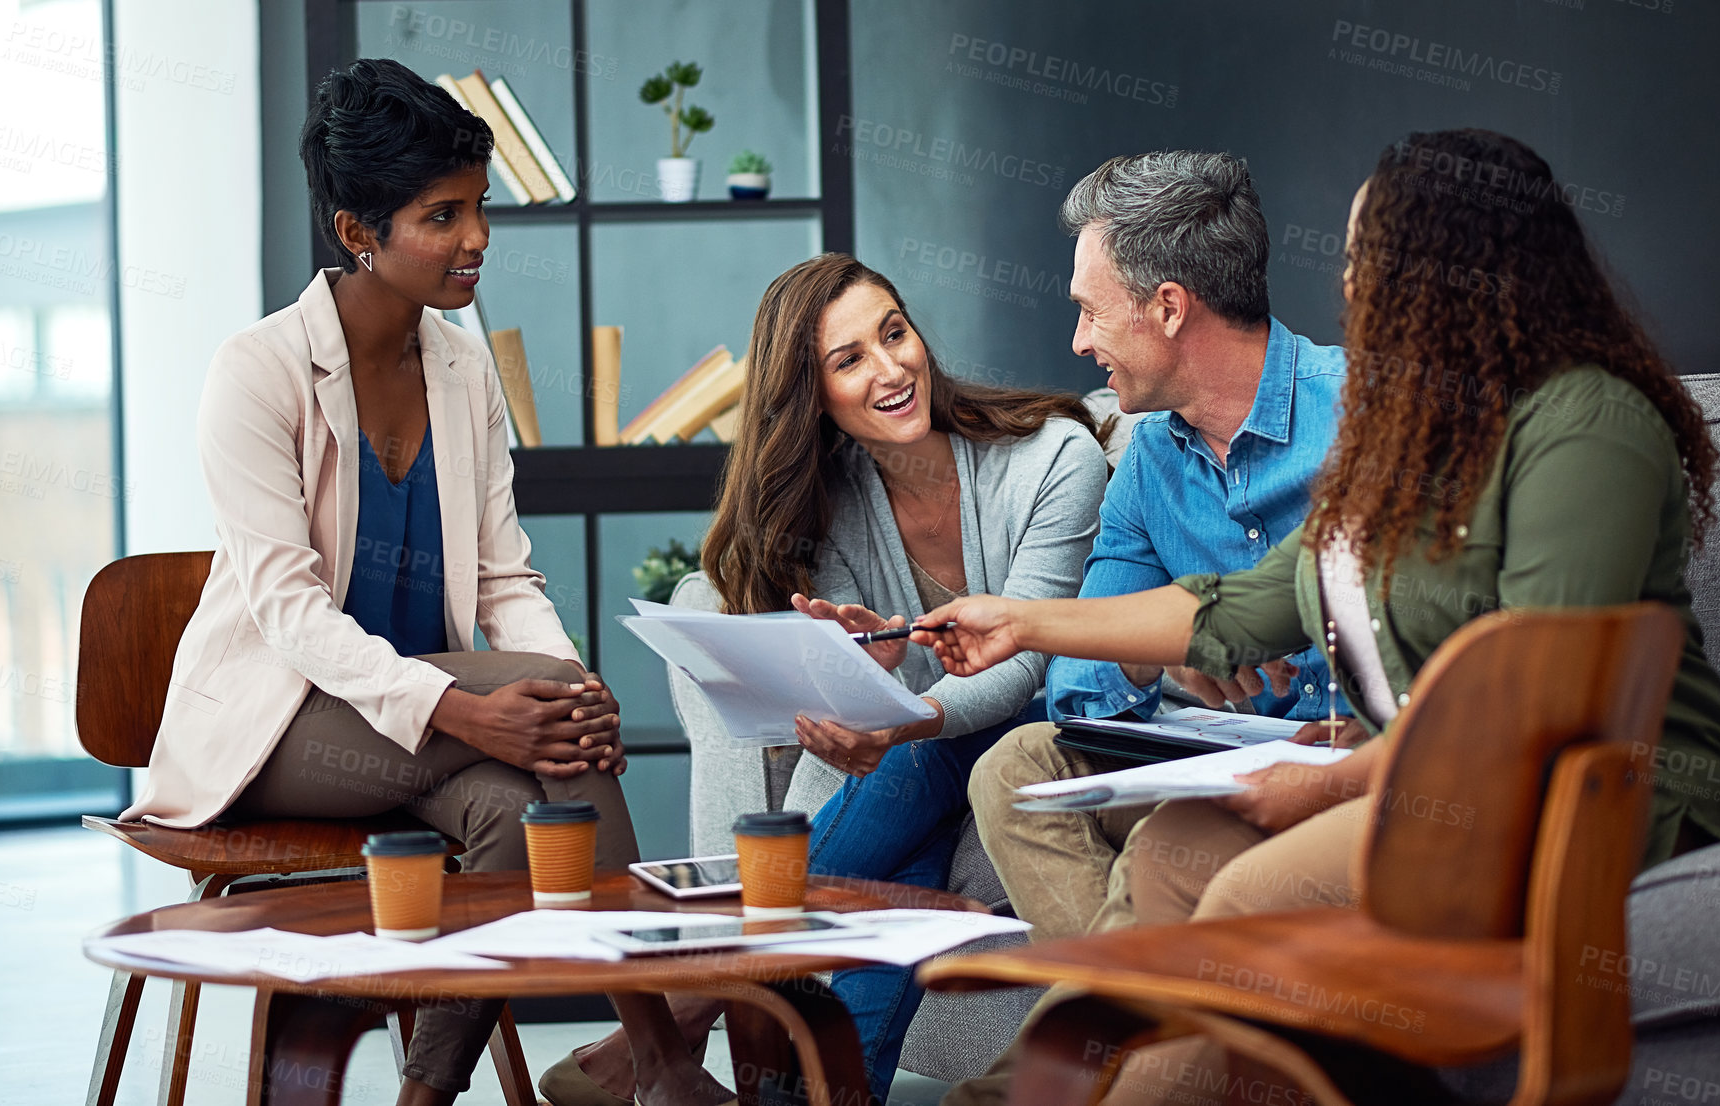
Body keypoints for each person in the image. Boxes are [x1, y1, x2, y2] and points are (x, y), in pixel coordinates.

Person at [917, 128, 1720, 1103]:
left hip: (1594, 806)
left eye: (1367, 258)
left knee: (1239, 900)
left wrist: (1332, 782)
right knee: (1181, 845)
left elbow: (1539, 693)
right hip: (1436, 782)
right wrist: (1022, 623)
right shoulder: (1415, 436)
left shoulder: (1586, 420)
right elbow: (1245, 604)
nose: (1351, 286)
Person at [120, 59, 641, 1106]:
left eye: (479, 206)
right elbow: (289, 609)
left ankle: (423, 1094)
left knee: (512, 806)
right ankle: (660, 1058)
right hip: (285, 726)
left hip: (426, 723)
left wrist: (568, 684)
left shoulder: (462, 366)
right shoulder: (256, 370)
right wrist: (469, 706)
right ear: (359, 230)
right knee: (547, 754)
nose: (477, 237)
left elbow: (504, 570)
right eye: (440, 215)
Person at [538, 253, 1109, 1106]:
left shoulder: (1051, 459)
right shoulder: (836, 500)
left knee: (909, 764)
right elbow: (882, 706)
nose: (890, 369)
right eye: (849, 360)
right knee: (897, 871)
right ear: (814, 397)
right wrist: (857, 672)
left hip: (1041, 730)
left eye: (894, 333)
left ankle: (699, 989)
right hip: (925, 754)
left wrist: (898, 708)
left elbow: (1025, 660)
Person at [969, 150, 1350, 949]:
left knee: (1176, 835)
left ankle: (1105, 1043)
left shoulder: (1363, 418)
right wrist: (1156, 657)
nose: (1077, 342)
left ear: (1169, 307)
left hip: (1351, 768)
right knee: (1013, 768)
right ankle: (1143, 1013)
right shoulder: (1148, 460)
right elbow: (1077, 685)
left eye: (1090, 311)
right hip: (1216, 753)